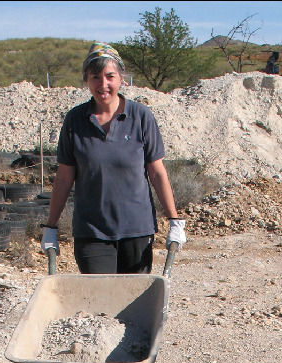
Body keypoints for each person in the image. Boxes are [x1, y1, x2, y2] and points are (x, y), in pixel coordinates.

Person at [40, 42, 186, 273]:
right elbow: (64, 178)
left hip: (137, 230)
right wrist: (51, 227)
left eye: (110, 76)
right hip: (92, 232)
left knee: (133, 303)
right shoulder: (75, 120)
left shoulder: (141, 117)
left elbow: (157, 172)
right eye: (95, 77)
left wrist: (174, 220)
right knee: (99, 305)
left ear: (121, 78)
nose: (103, 84)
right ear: (86, 80)